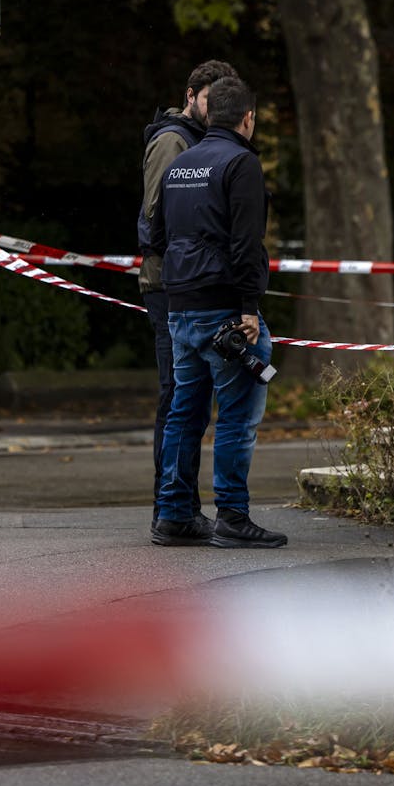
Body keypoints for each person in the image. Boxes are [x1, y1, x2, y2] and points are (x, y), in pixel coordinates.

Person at [148, 75, 286, 549]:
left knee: (184, 415)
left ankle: (172, 516)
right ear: (248, 117)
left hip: (179, 307)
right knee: (236, 417)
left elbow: (159, 233)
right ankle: (232, 516)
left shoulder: (180, 163)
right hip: (225, 309)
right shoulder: (240, 163)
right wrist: (249, 307)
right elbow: (246, 243)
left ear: (210, 113)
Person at [137, 59, 238, 529]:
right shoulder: (173, 140)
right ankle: (171, 510)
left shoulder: (199, 141)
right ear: (191, 94)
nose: (215, 108)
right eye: (209, 99)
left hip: (183, 282)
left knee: (191, 403)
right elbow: (157, 218)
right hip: (169, 285)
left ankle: (180, 508)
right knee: (178, 400)